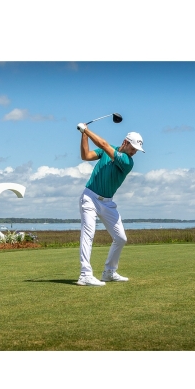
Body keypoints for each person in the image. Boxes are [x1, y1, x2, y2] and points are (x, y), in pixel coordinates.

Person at [75, 122, 145, 287]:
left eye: (136, 150)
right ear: (125, 142)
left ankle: (109, 272)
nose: (134, 152)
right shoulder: (109, 151)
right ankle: (85, 274)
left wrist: (86, 129)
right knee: (88, 233)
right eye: (133, 148)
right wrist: (83, 134)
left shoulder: (127, 161)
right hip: (89, 197)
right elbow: (86, 155)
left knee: (121, 238)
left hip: (107, 203)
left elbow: (103, 144)